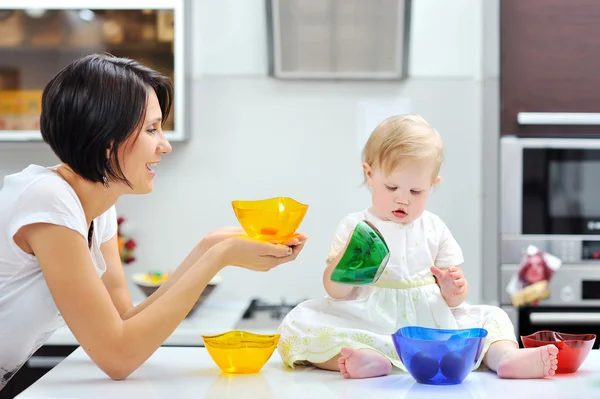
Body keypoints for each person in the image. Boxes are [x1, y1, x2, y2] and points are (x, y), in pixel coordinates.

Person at [0, 53, 307, 391]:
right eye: (151, 129)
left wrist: (211, 246)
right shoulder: (47, 200)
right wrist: (220, 258)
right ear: (106, 140)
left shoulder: (97, 209)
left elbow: (123, 323)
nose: (165, 146)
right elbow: (117, 356)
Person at [277, 114, 558, 380]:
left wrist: (453, 288)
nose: (403, 200)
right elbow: (336, 292)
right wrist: (345, 265)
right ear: (370, 174)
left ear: (433, 185)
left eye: (415, 191)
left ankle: (505, 358)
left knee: (493, 316)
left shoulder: (434, 227)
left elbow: (455, 297)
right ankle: (367, 358)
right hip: (370, 321)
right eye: (391, 188)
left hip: (429, 326)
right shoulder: (355, 226)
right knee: (299, 322)